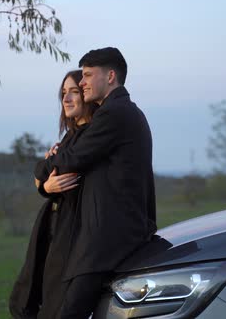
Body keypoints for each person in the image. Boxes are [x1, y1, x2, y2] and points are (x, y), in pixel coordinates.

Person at [50, 47, 157, 318]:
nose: (82, 82)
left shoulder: (114, 114)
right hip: (111, 237)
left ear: (110, 76)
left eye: (87, 75)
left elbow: (72, 159)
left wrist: (47, 165)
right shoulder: (123, 112)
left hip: (107, 241)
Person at [9, 70, 98, 319]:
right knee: (29, 292)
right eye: (63, 94)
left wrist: (45, 174)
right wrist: (46, 186)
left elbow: (52, 169)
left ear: (87, 95)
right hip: (51, 224)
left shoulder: (92, 135)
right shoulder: (69, 137)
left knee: (55, 303)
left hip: (71, 229)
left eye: (74, 92)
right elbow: (41, 174)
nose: (66, 99)